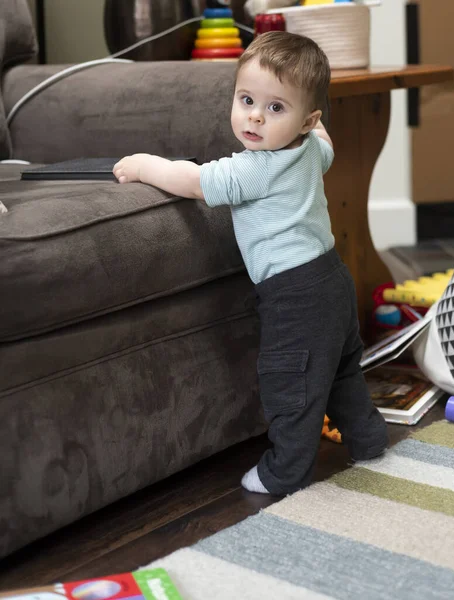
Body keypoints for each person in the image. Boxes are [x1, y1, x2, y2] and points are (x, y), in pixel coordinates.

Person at [113, 31, 388, 496]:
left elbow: (195, 181)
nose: (256, 117)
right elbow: (327, 146)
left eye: (276, 108)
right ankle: (369, 438)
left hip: (295, 294)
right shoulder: (310, 151)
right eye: (246, 100)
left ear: (305, 119)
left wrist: (142, 165)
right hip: (332, 280)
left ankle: (286, 471)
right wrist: (312, 124)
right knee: (342, 372)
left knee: (290, 386)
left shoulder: (253, 168)